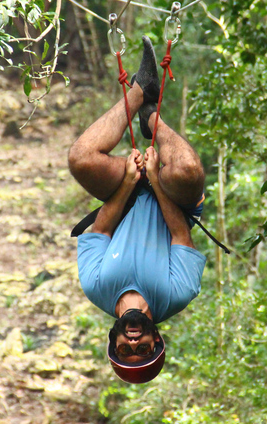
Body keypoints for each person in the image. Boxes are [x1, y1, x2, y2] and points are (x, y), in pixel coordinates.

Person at [68, 36, 207, 384]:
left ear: (113, 340)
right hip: (173, 200)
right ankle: (153, 122)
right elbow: (180, 235)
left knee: (80, 159)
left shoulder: (96, 286)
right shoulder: (177, 294)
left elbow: (99, 231)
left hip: (124, 195)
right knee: (188, 170)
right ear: (156, 338)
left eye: (125, 349)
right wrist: (157, 183)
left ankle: (139, 92)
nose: (133, 342)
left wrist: (130, 181)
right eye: (142, 349)